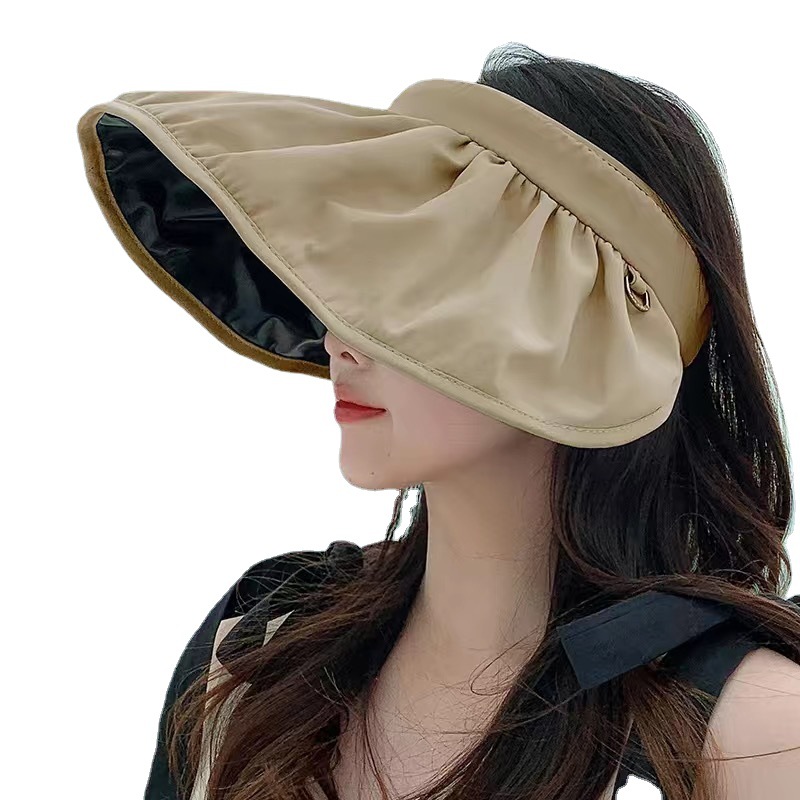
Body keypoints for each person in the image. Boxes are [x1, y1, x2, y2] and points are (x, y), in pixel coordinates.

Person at [77, 43, 800, 800]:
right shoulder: (255, 651)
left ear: (577, 333)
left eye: (420, 286)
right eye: (357, 274)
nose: (341, 339)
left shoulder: (747, 737)